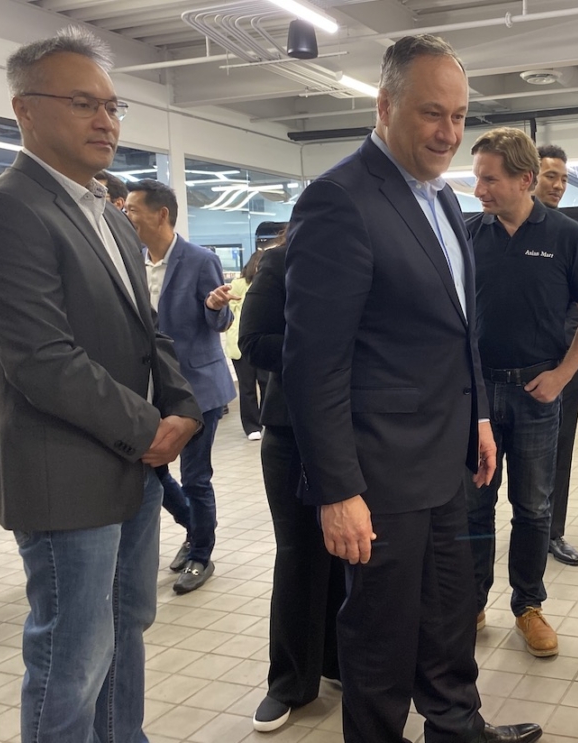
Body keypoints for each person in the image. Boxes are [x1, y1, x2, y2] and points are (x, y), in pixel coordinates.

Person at [282, 35, 541, 743]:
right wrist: (338, 489)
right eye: (432, 113)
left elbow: (459, 330)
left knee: (449, 616)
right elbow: (314, 363)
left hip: (445, 460)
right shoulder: (340, 199)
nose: (449, 132)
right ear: (385, 105)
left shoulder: (443, 198)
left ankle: (458, 728)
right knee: (381, 637)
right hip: (379, 475)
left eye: (458, 116)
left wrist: (478, 418)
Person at [0, 27, 202, 742]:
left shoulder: (109, 219)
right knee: (72, 654)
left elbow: (149, 331)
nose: (106, 121)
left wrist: (183, 405)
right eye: (84, 103)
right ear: (25, 109)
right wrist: (150, 428)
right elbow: (41, 358)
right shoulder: (11, 208)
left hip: (131, 467)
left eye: (113, 107)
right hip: (66, 472)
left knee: (126, 626)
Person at [466, 128, 578, 657]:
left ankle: (528, 605)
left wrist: (563, 375)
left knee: (534, 506)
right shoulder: (467, 235)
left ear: (524, 180)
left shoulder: (566, 236)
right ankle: (471, 602)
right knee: (474, 505)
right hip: (477, 397)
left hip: (537, 393)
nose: (479, 190)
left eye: (489, 180)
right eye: (476, 178)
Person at [239, 238, 346, 732]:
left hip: (360, 430)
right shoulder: (282, 261)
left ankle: (338, 660)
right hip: (293, 431)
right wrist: (325, 348)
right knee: (300, 554)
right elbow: (254, 341)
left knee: (352, 555)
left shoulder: (373, 257)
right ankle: (289, 681)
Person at [126, 178, 236, 594]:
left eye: (133, 210)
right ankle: (194, 527)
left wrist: (213, 306)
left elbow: (220, 321)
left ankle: (200, 555)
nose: (127, 216)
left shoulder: (199, 259)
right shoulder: (132, 259)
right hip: (150, 389)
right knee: (151, 469)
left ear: (161, 214)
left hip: (197, 387)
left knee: (196, 476)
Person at [532, 144, 578, 567]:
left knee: (559, 451)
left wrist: (563, 366)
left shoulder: (568, 235)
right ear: (527, 175)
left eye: (564, 179)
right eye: (552, 176)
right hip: (502, 370)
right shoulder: (490, 230)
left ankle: (553, 532)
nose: (559, 185)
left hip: (562, 366)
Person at [226, 249, 268, 440]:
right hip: (240, 343)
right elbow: (229, 312)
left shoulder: (270, 283)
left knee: (266, 383)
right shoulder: (238, 285)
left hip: (262, 342)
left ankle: (267, 419)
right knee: (247, 387)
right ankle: (252, 426)